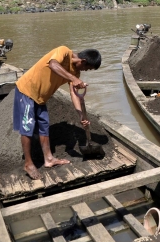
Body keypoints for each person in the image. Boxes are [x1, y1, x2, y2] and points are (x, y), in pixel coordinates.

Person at [13, 46, 101, 180]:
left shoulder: (76, 73)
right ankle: (28, 164)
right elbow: (53, 64)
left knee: (44, 126)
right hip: (27, 91)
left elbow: (74, 94)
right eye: (87, 68)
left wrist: (81, 116)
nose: (85, 71)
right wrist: (73, 78)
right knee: (27, 127)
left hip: (41, 98)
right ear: (82, 61)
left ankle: (48, 159)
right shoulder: (64, 51)